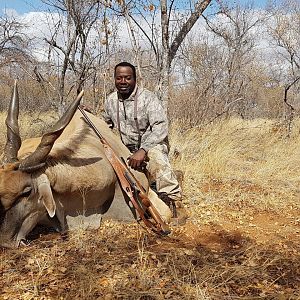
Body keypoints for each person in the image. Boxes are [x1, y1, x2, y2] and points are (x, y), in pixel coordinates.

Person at [103, 61, 185, 222]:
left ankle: (175, 202)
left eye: (127, 78)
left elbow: (160, 127)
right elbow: (105, 124)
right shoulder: (111, 101)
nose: (123, 82)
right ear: (114, 79)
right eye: (119, 78)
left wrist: (143, 150)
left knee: (157, 160)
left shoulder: (148, 98)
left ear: (135, 79)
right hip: (125, 148)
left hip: (151, 145)